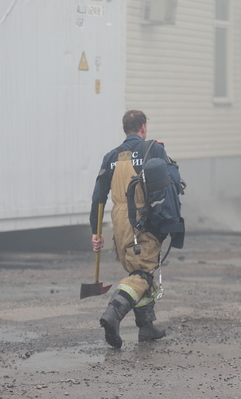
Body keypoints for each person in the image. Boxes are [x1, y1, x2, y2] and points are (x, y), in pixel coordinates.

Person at [90, 110, 183, 349]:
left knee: (138, 271)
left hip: (119, 222)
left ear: (125, 129)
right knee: (142, 273)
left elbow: (98, 197)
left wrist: (96, 231)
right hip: (143, 221)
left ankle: (146, 327)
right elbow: (171, 183)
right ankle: (113, 314)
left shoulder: (110, 157)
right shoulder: (153, 149)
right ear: (143, 127)